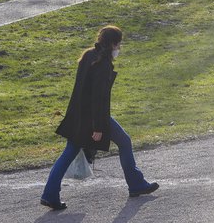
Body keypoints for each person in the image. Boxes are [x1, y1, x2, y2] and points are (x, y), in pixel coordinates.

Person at [41, 26, 159, 210]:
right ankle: (136, 184)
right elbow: (98, 98)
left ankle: (49, 194)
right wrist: (98, 127)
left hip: (77, 115)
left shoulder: (88, 55)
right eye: (119, 44)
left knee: (68, 153)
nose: (119, 48)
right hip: (94, 118)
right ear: (113, 43)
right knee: (124, 141)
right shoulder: (103, 64)